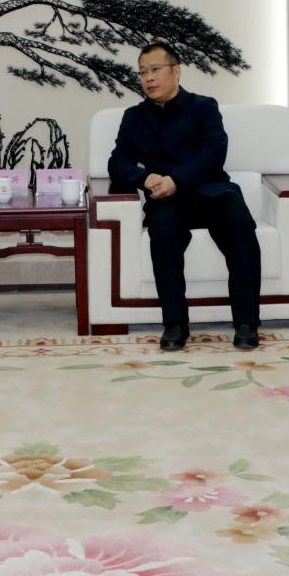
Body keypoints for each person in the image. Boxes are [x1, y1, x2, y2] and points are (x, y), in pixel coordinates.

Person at [108, 42, 263, 352]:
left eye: (155, 69)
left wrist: (176, 180)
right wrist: (145, 178)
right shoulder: (134, 117)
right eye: (142, 72)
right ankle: (175, 323)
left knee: (240, 225)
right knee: (162, 231)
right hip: (167, 200)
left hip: (212, 192)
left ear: (176, 71)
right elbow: (117, 162)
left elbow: (214, 153)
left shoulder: (203, 107)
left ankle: (247, 322)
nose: (148, 78)